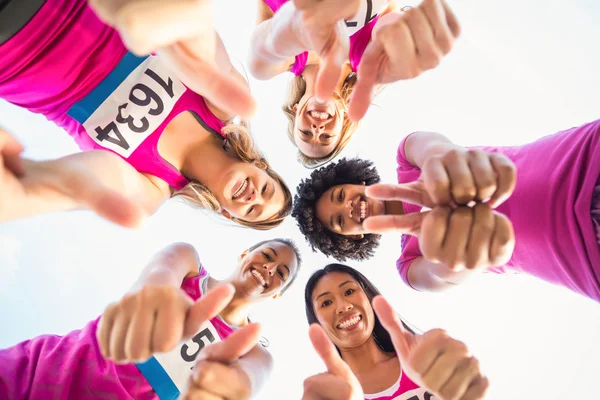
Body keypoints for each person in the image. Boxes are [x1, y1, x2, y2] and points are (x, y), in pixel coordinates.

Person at [0, 0, 291, 230]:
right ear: (259, 164)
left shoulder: (152, 190)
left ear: (228, 214)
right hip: (83, 9)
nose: (255, 197)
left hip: (16, 60)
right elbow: (199, 46)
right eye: (266, 189)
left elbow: (99, 175)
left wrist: (32, 189)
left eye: (252, 210)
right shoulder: (222, 106)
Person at [293, 120, 600, 302]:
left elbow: (438, 152)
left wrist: (447, 173)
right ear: (352, 238)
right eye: (338, 221)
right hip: (587, 255)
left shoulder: (407, 157)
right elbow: (444, 274)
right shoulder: (410, 265)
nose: (348, 208)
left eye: (341, 195)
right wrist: (456, 251)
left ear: (354, 181)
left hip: (585, 160)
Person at [0, 238, 302, 399]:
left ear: (277, 295)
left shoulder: (252, 350)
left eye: (282, 274)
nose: (270, 269)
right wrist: (156, 295)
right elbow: (158, 277)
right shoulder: (188, 262)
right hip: (56, 368)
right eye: (268, 255)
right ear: (245, 253)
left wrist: (235, 385)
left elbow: (249, 379)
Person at [250, 0, 461, 167]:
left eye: (306, 133)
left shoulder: (288, 58)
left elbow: (263, 35)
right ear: (344, 121)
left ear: (295, 111)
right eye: (326, 137)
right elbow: (390, 22)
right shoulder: (365, 58)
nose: (316, 129)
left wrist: (267, 57)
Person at [302, 263, 488, 400]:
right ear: (316, 322)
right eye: (326, 303)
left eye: (349, 291)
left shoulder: (427, 365)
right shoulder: (331, 396)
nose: (343, 306)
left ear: (368, 298)